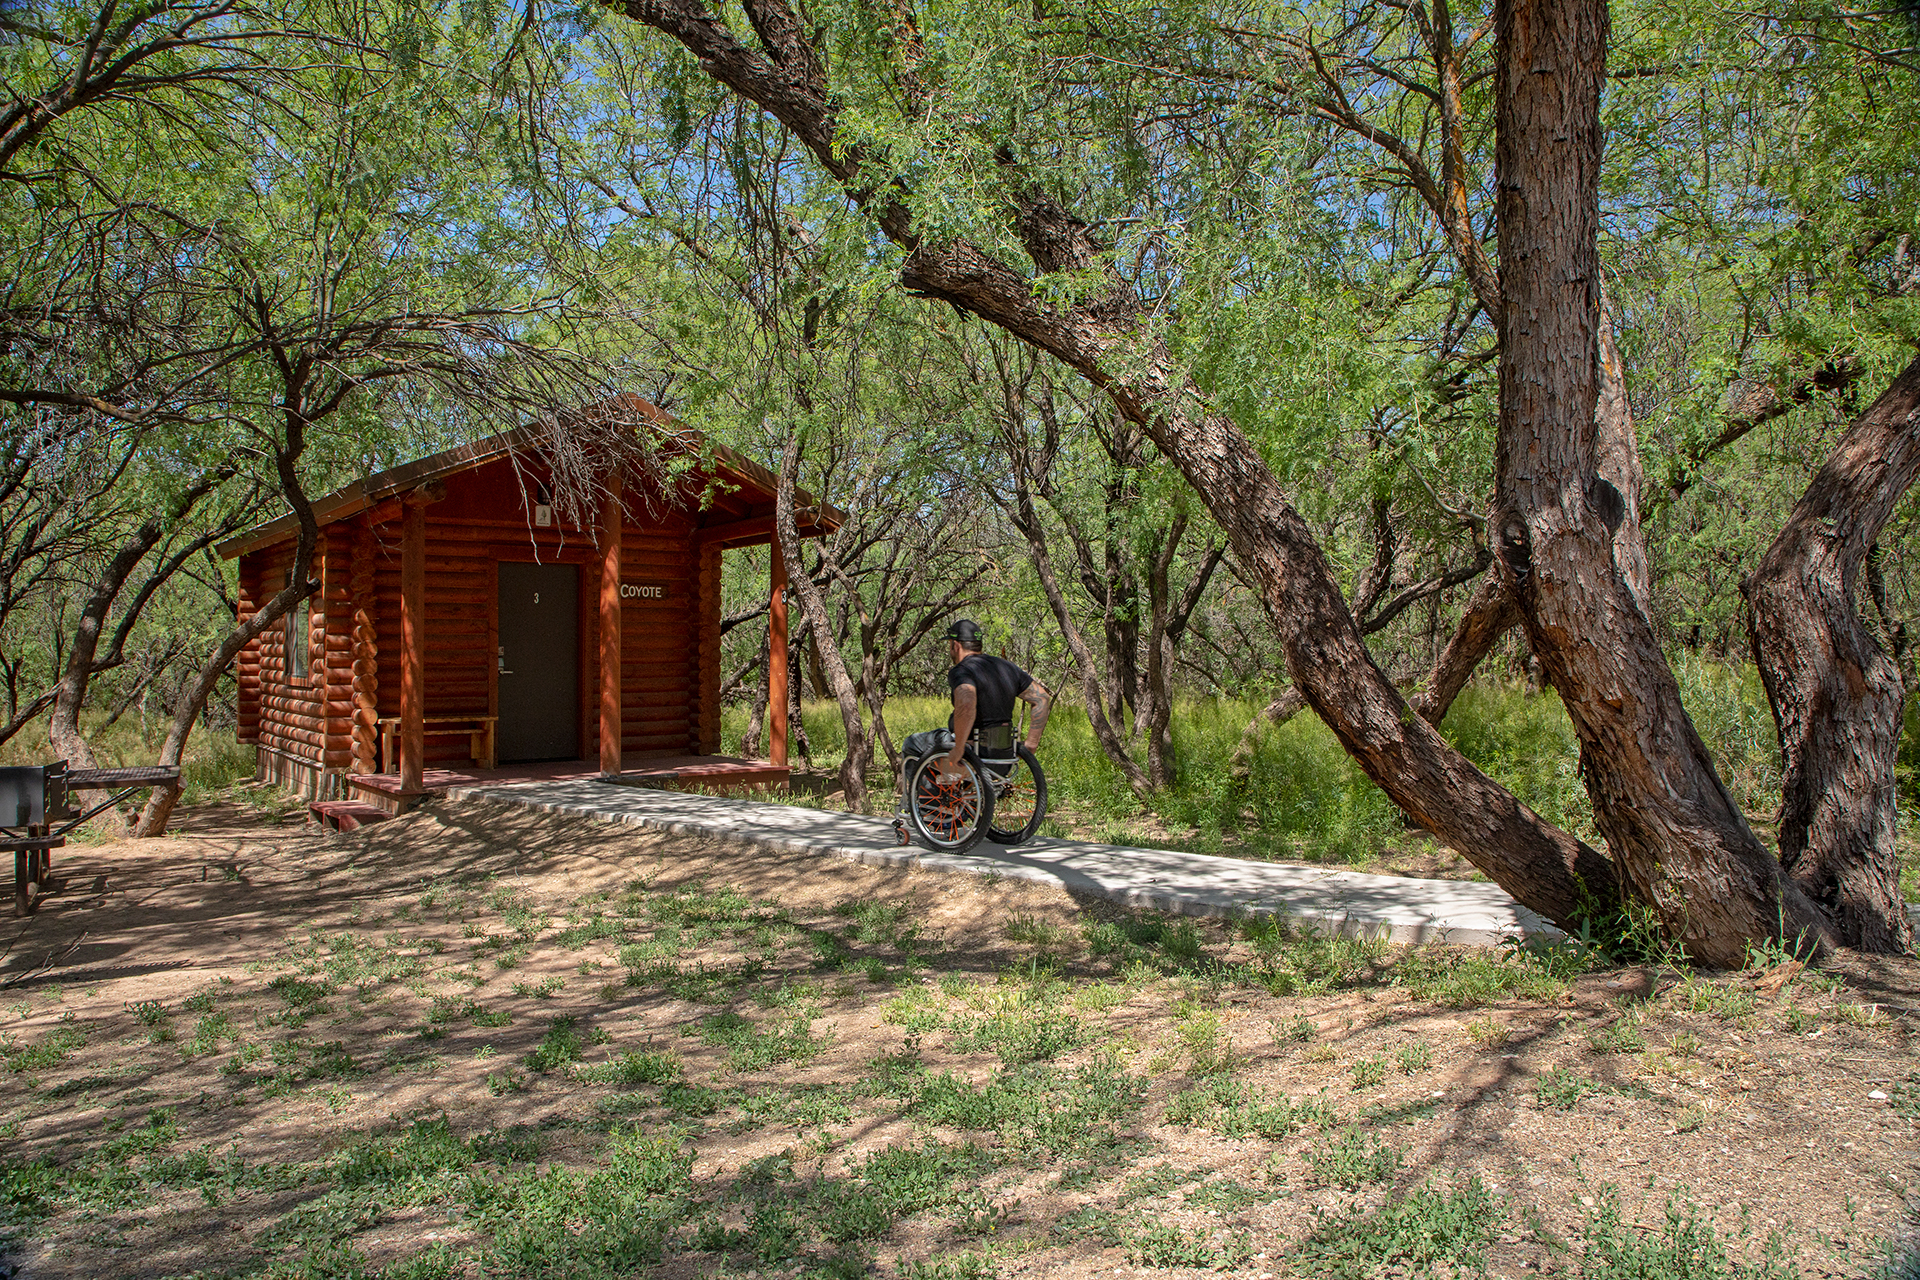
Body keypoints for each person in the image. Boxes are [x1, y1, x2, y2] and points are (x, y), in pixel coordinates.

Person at [894, 619, 1052, 841]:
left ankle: (936, 815)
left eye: (950, 645)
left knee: (912, 744)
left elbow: (967, 704)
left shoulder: (962, 670)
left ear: (955, 646)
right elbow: (1042, 698)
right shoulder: (1006, 667)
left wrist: (958, 750)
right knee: (945, 741)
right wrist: (1030, 745)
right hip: (1002, 760)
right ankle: (963, 807)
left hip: (972, 754)